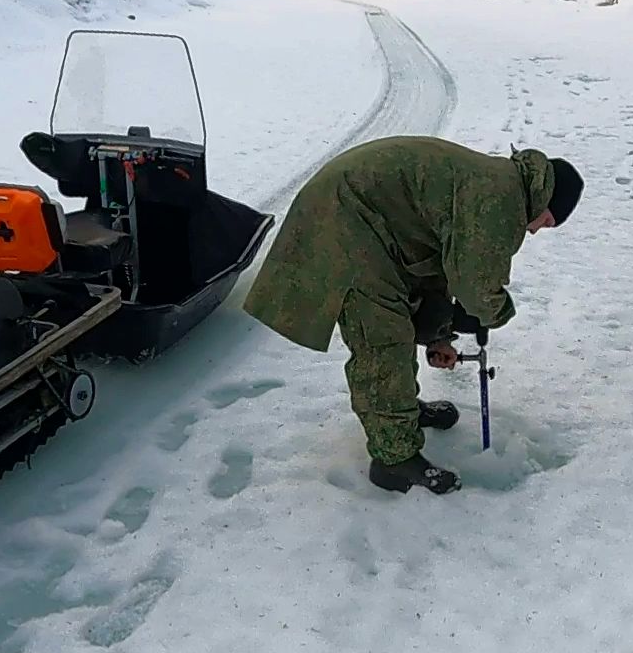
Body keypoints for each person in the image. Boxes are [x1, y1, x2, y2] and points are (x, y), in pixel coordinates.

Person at [242, 135, 583, 495]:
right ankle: (395, 459)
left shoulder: (500, 184)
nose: (537, 230)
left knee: (396, 318)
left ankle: (399, 412)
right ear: (547, 203)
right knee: (382, 338)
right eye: (547, 223)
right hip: (345, 220)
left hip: (368, 220)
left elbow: (436, 268)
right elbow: (477, 287)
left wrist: (440, 334)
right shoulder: (503, 201)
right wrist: (495, 314)